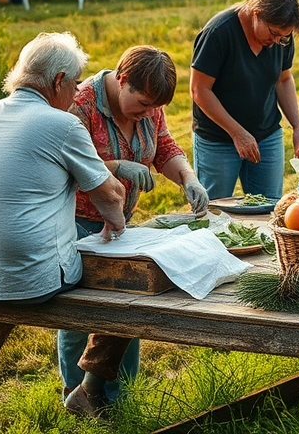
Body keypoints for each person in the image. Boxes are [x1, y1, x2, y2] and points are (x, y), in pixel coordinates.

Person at [0, 33, 129, 416]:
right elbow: (109, 195)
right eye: (76, 83)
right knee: (126, 285)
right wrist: (117, 228)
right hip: (29, 281)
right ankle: (90, 391)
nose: (78, 94)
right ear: (58, 81)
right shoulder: (63, 124)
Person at [58, 46, 210, 404]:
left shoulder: (150, 108)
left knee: (129, 305)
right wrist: (114, 166)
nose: (147, 114)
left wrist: (188, 178)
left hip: (120, 223)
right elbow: (64, 164)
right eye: (141, 104)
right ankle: (75, 394)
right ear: (122, 80)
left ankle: (118, 397)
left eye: (153, 108)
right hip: (77, 221)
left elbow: (164, 149)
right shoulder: (81, 104)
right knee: (80, 312)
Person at [190, 0, 299, 200]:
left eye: (283, 37)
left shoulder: (281, 35)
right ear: (257, 14)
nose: (277, 42)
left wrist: (297, 127)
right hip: (218, 139)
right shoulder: (218, 32)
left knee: (268, 208)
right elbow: (199, 90)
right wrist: (237, 133)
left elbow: (283, 80)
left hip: (266, 135)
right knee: (215, 210)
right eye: (274, 34)